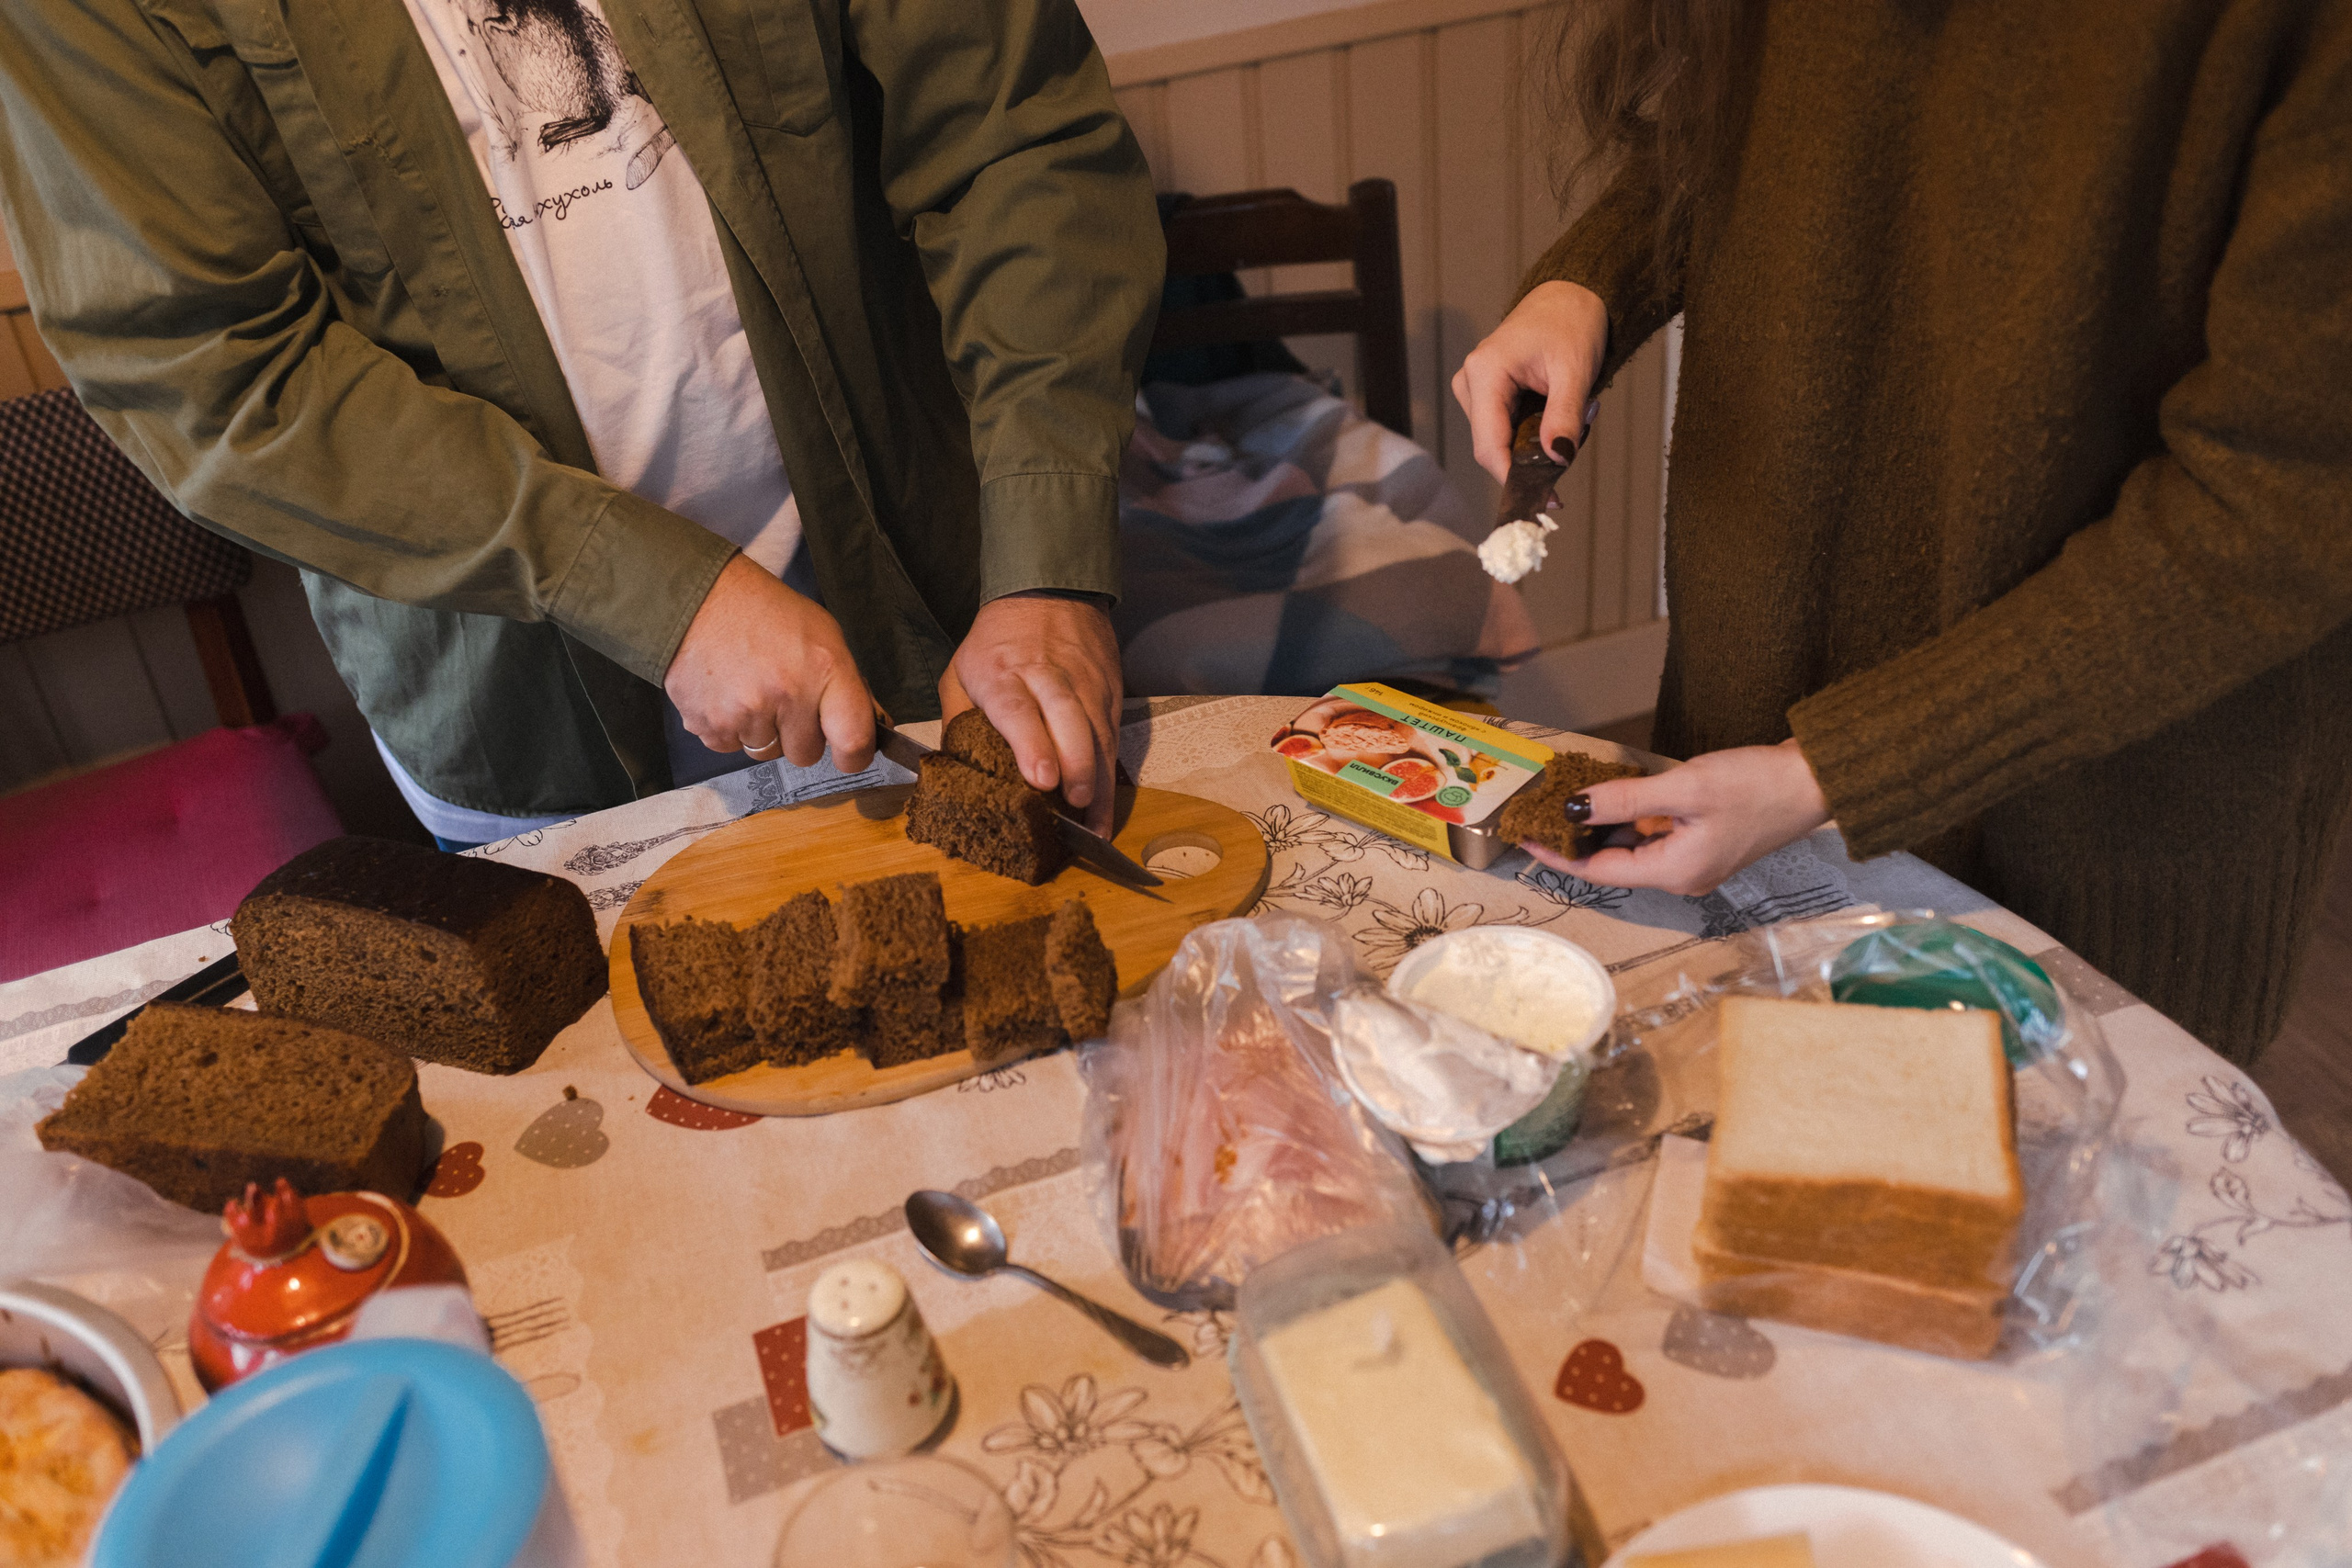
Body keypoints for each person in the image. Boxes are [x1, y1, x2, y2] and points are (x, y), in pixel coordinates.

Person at [0, 0, 1159, 847]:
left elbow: (1014, 143)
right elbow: (216, 371)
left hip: (939, 607)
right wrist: (654, 590)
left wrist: (1048, 555)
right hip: (522, 714)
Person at [1454, 0, 2351, 1064]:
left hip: (2093, 826)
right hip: (1746, 738)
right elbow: (1753, 129)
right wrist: (1590, 279)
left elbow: (2272, 514)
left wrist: (1827, 771)